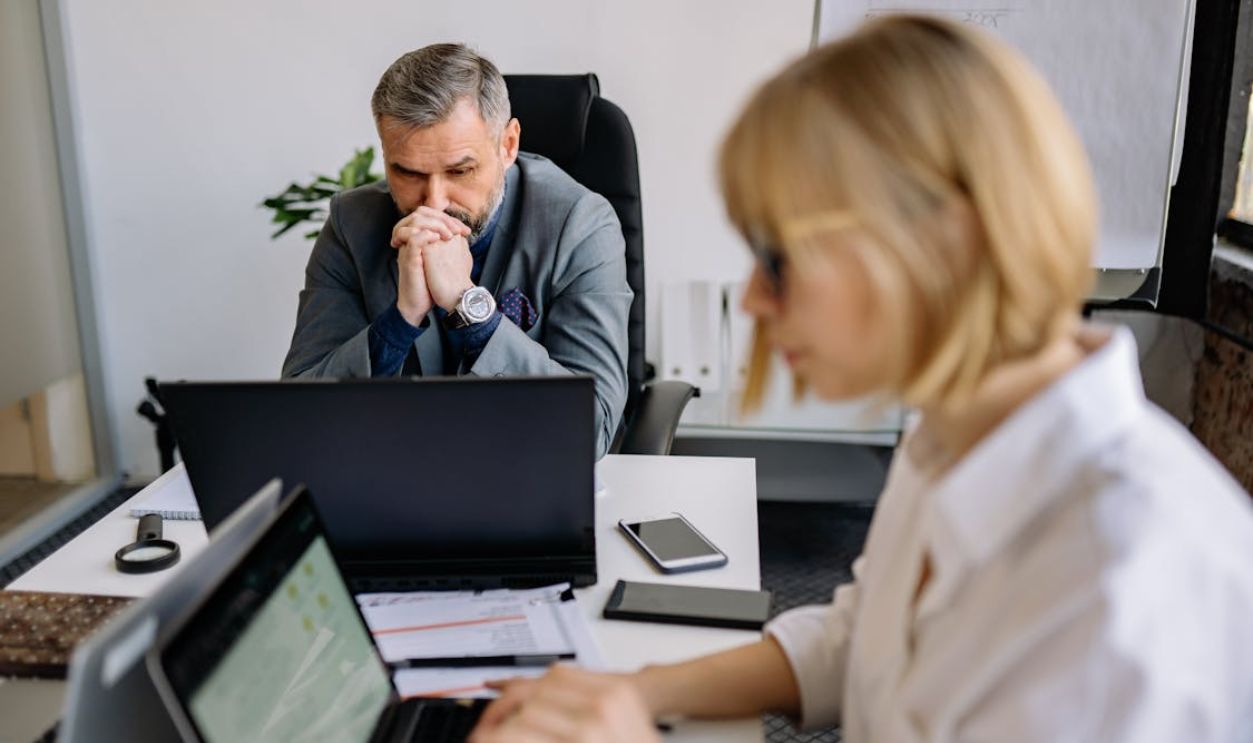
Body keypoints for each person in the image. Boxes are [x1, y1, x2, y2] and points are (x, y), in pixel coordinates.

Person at [468, 15, 1253, 743]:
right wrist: (635, 691)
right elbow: (862, 641)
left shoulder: (1119, 593)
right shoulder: (960, 429)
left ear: (944, 243)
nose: (751, 298)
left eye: (778, 259)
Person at [281, 44, 632, 459]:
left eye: (460, 171)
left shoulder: (580, 225)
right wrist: (400, 321)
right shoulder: (351, 224)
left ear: (508, 145)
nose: (434, 202)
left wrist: (468, 306)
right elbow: (298, 411)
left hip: (520, 474)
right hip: (394, 478)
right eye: (407, 172)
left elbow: (591, 430)